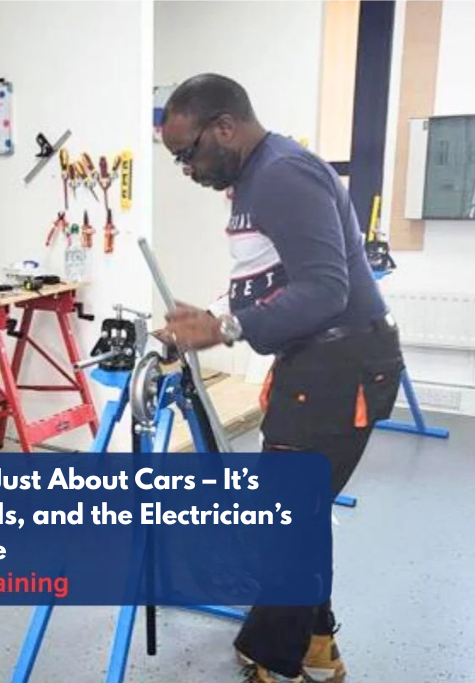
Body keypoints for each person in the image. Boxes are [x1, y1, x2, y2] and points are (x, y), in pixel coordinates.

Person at [157, 74, 404, 683]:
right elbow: (272, 275)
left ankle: (275, 659)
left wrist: (223, 330)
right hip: (319, 363)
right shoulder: (256, 176)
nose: (186, 169)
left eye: (189, 153)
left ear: (224, 127)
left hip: (338, 367)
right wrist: (214, 315)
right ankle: (317, 642)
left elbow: (325, 289)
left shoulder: (281, 175)